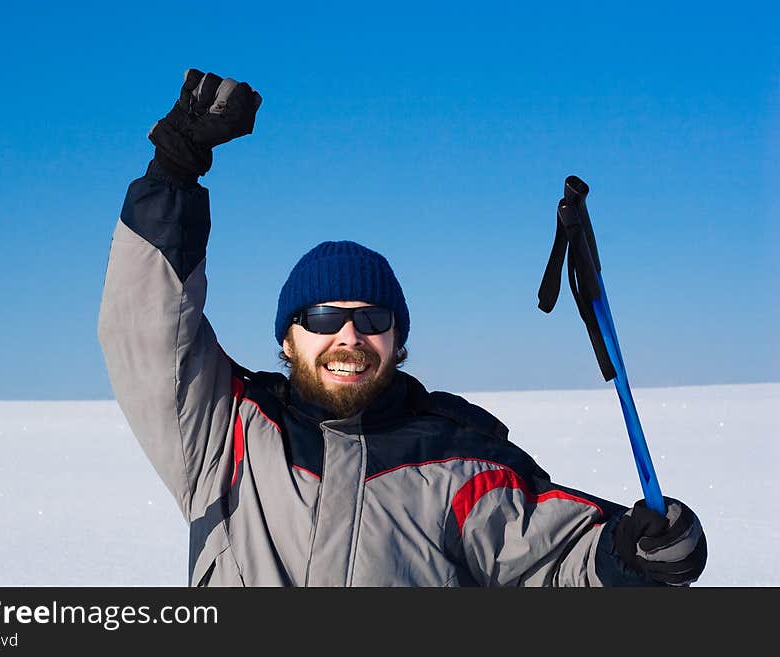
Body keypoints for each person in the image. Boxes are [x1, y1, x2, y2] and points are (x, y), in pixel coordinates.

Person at [97, 69, 707, 587]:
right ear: (288, 339)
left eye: (372, 319)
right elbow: (147, 329)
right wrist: (173, 170)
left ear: (399, 340)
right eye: (323, 318)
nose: (349, 336)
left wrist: (632, 553)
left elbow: (553, 557)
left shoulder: (460, 462)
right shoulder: (225, 434)